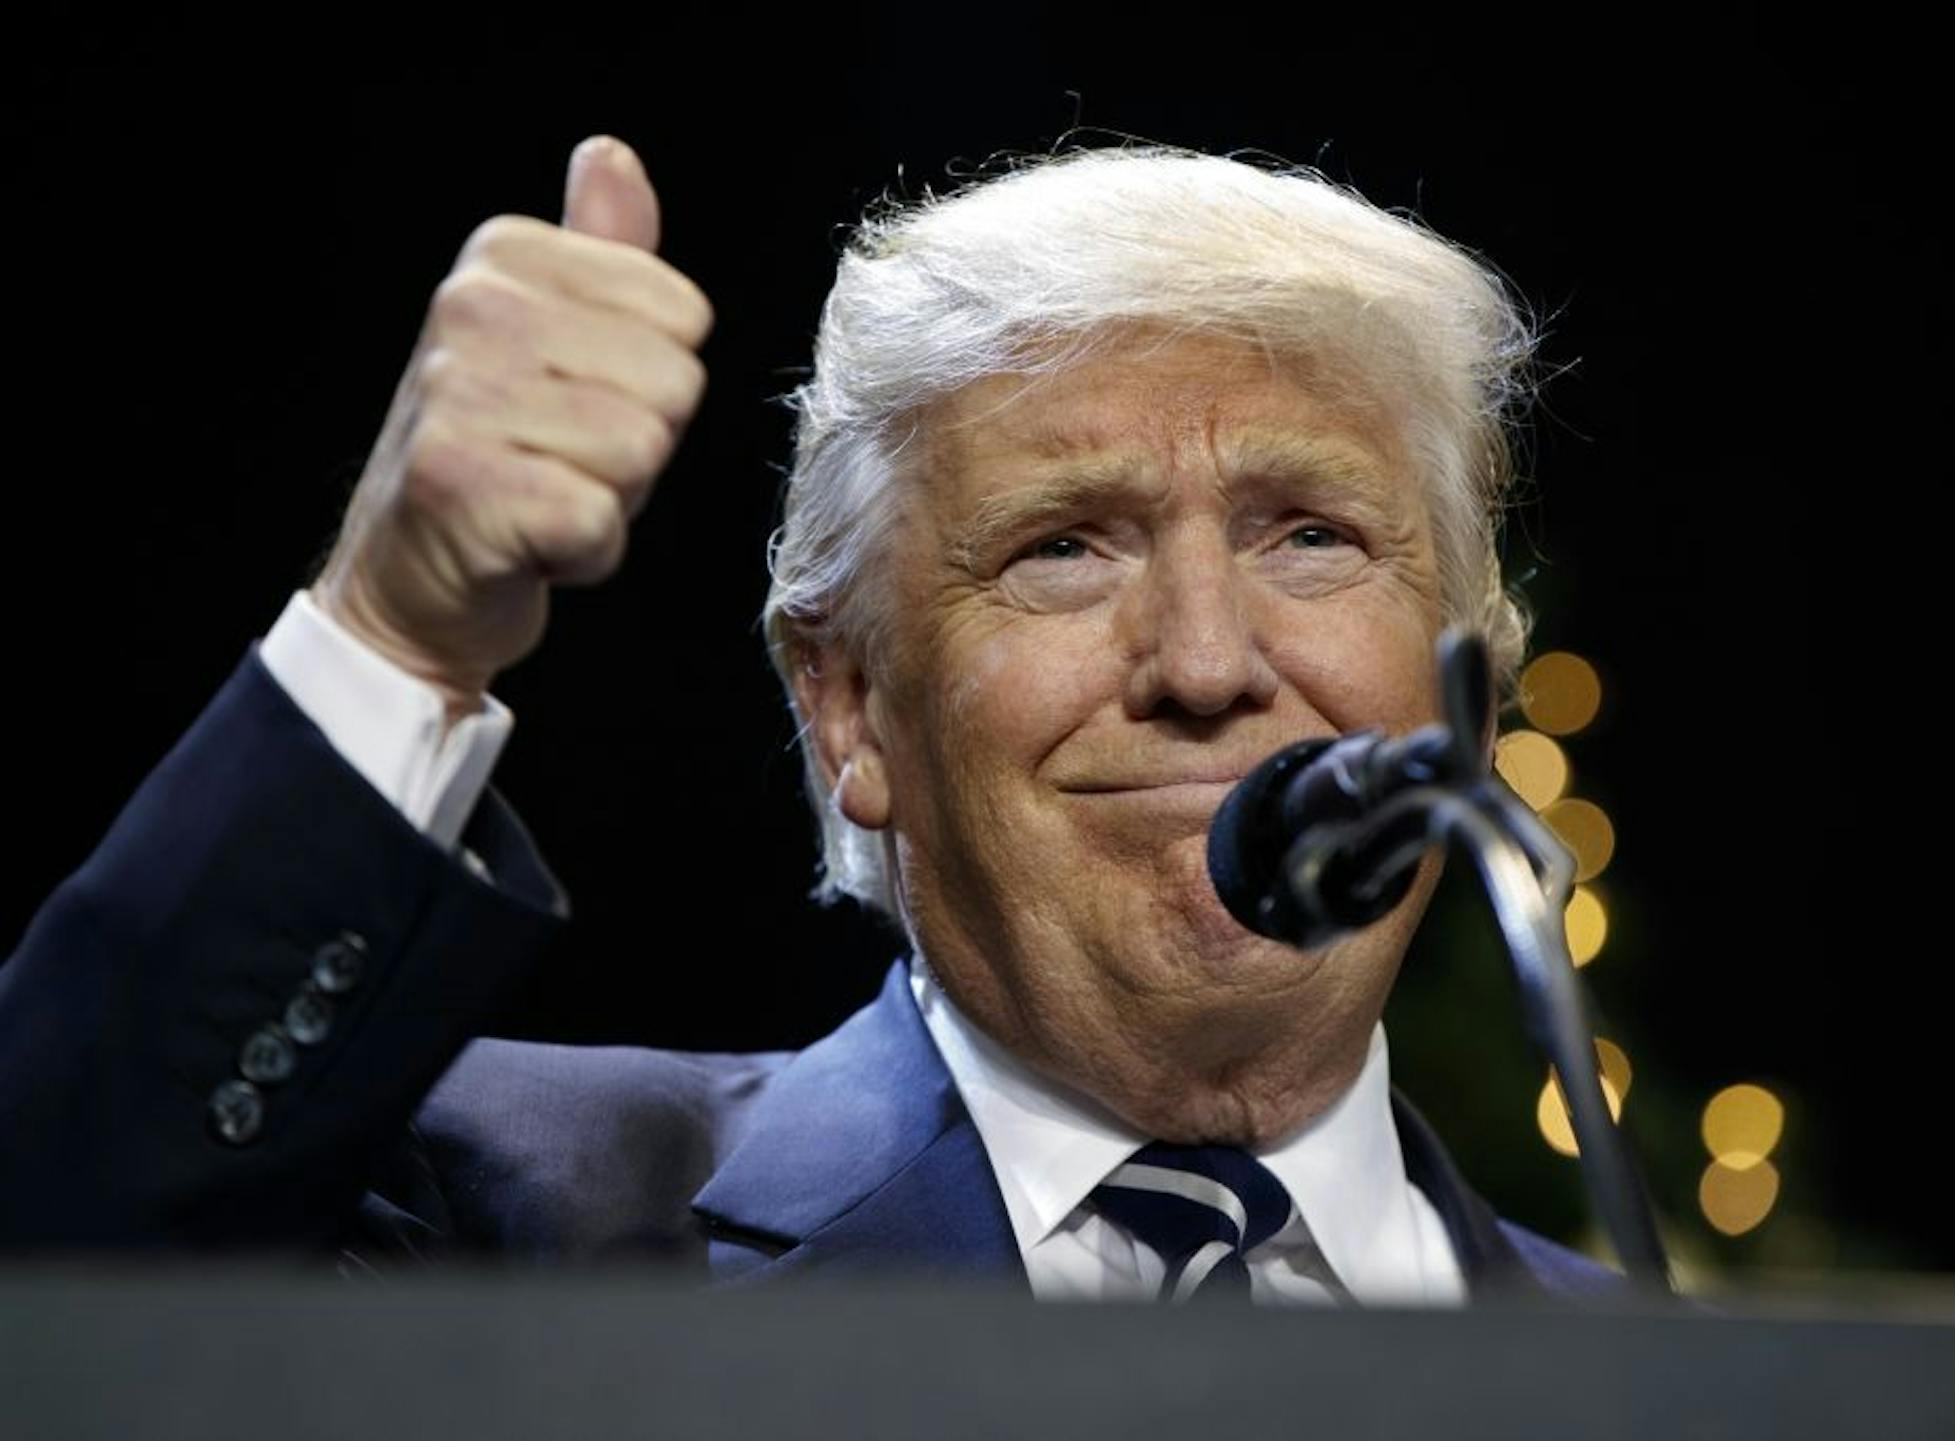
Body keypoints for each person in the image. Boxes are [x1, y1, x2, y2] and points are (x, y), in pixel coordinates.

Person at [0, 135, 1620, 1304]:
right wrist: (396, 630)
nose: (1204, 661)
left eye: (1312, 535)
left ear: (1471, 707)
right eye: (1064, 547)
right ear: (847, 707)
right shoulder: (489, 1214)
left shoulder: (1654, 1379)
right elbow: (57, 1284)